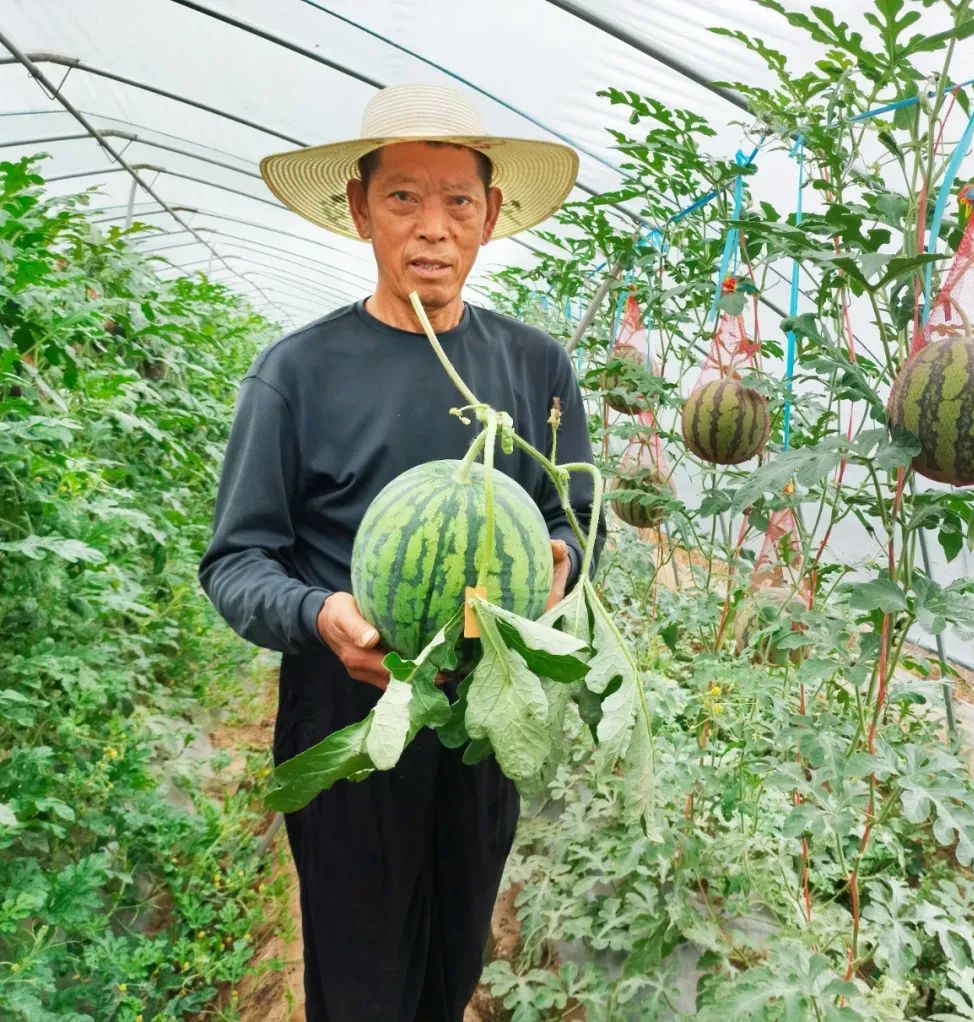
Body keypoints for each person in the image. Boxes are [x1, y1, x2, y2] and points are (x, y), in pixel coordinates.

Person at [198, 82, 605, 1021]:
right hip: (350, 714)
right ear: (358, 209)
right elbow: (237, 560)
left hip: (482, 719)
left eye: (458, 200)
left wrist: (558, 561)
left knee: (454, 958)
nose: (433, 228)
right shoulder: (295, 373)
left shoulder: (533, 366)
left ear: (492, 215)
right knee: (361, 978)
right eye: (403, 198)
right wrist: (316, 614)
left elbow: (576, 516)